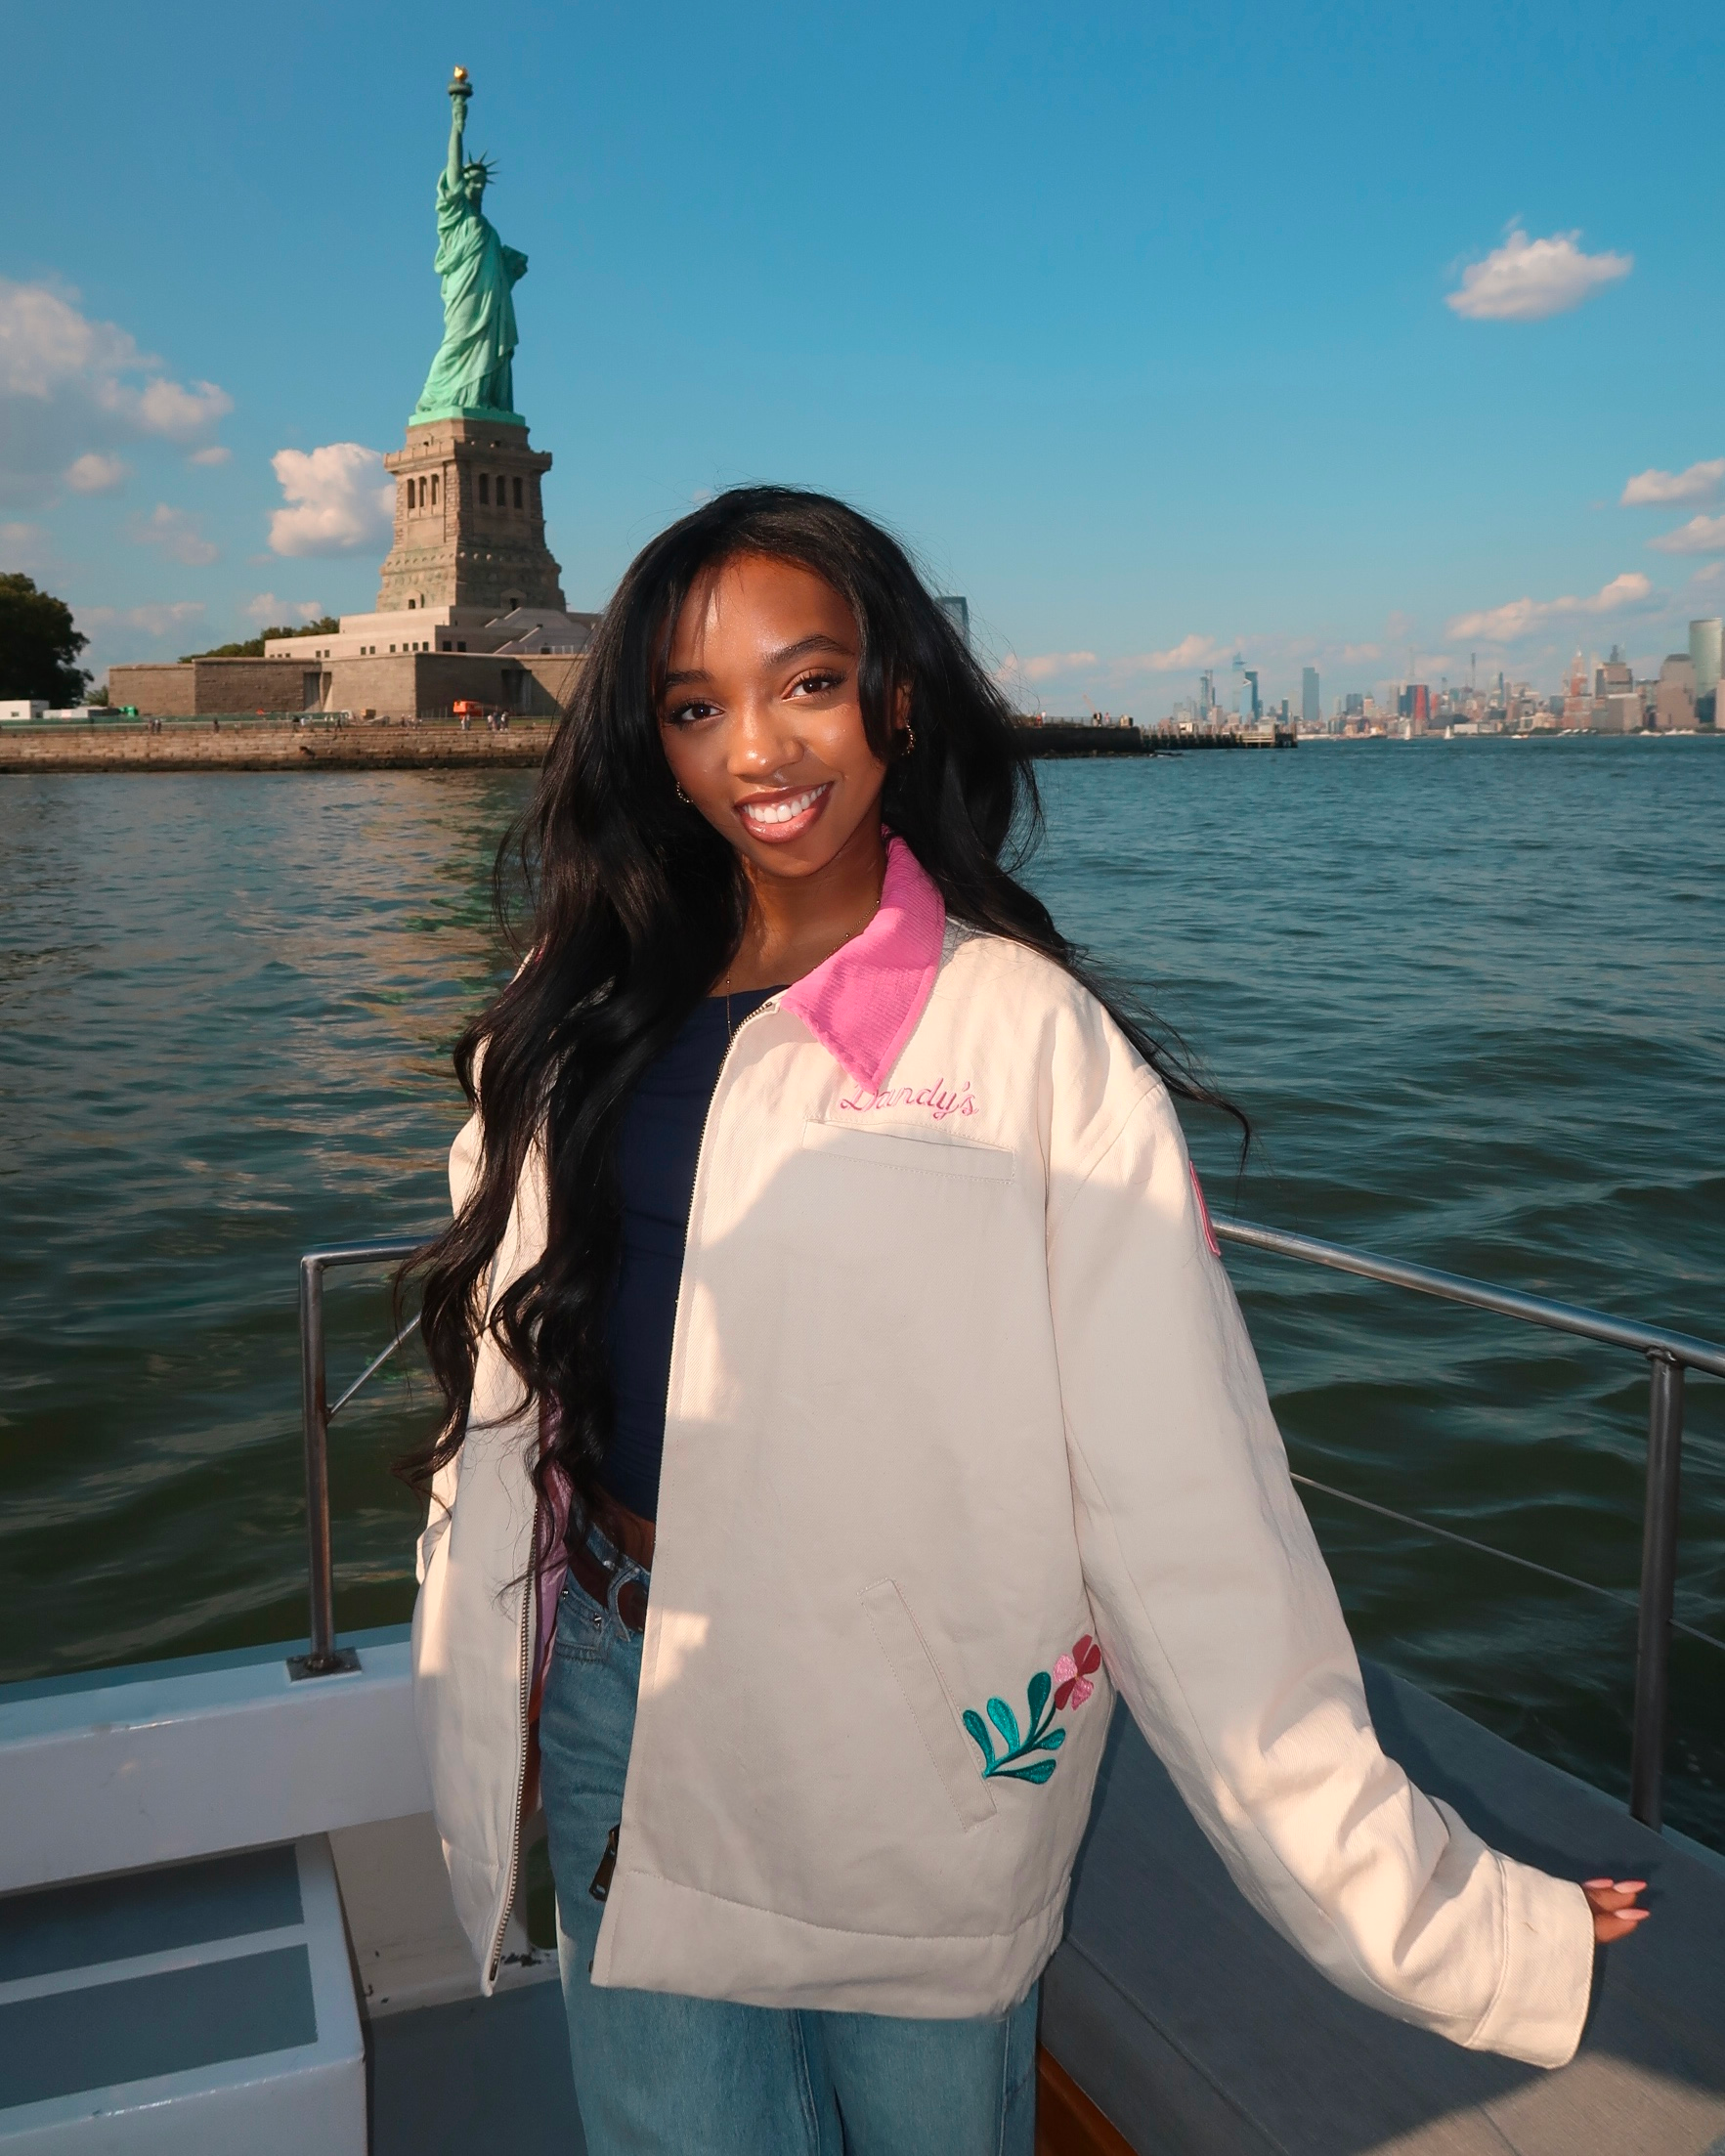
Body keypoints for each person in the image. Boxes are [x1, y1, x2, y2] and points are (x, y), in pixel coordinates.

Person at [407, 488, 1647, 2156]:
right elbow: (504, 1400)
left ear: (897, 699)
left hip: (909, 1749)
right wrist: (491, 1677)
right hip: (627, 1683)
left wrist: (1444, 1910)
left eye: (810, 682)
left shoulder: (1029, 1045)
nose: (759, 748)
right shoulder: (581, 1007)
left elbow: (1188, 1511)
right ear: (656, 742)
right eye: (697, 707)